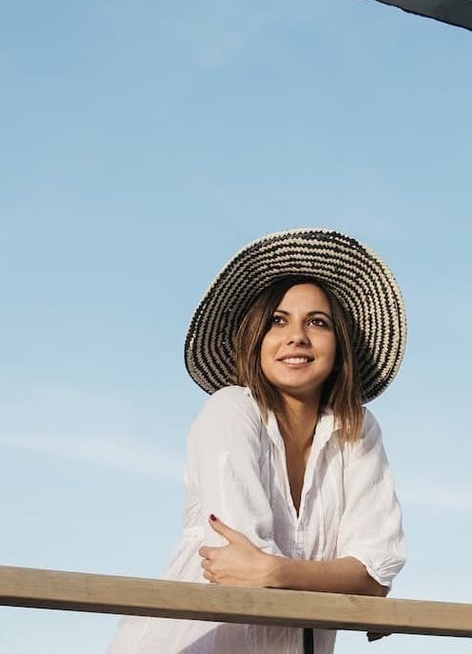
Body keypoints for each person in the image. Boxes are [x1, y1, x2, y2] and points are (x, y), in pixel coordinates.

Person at [109, 228, 408, 653]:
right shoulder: (230, 410)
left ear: (340, 347)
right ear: (257, 339)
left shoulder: (358, 429)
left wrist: (278, 571)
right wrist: (338, 582)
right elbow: (244, 569)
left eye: (317, 323)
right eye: (277, 321)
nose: (296, 337)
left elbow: (375, 572)